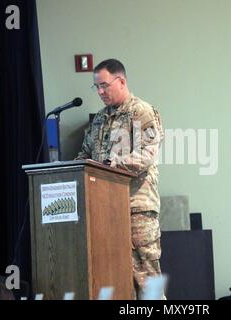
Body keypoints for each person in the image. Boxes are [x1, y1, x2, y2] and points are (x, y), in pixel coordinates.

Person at [76, 58, 164, 299]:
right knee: (116, 282)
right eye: (97, 87)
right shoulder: (100, 119)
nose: (101, 92)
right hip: (105, 211)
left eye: (104, 85)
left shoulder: (142, 112)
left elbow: (146, 156)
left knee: (147, 284)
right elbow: (84, 155)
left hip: (136, 209)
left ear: (121, 81)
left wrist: (109, 166)